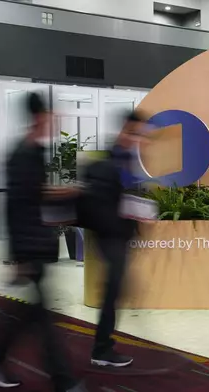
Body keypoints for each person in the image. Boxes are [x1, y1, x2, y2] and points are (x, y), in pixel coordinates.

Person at [0, 92, 85, 391]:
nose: (55, 122)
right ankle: (62, 381)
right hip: (30, 248)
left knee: (28, 315)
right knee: (39, 317)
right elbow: (17, 205)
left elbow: (36, 194)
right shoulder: (23, 155)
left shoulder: (31, 152)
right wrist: (19, 256)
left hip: (35, 244)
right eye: (52, 116)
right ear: (40, 117)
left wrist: (65, 193)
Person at [79, 111, 147, 367]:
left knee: (114, 291)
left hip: (119, 236)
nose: (139, 138)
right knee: (112, 291)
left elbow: (129, 198)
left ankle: (103, 346)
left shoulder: (127, 161)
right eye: (136, 132)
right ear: (126, 130)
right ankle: (101, 348)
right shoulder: (111, 162)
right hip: (111, 237)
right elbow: (103, 204)